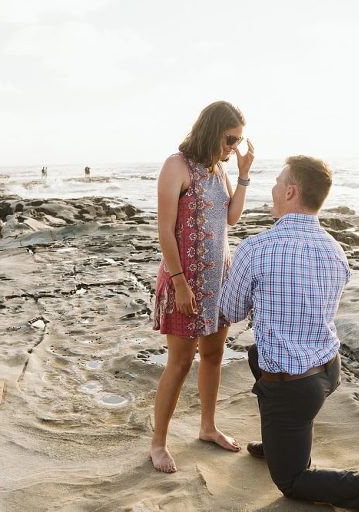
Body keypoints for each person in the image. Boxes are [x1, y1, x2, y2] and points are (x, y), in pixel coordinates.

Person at [219, 156, 359, 512]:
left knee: (291, 482)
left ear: (291, 191)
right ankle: (279, 442)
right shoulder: (335, 250)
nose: (273, 188)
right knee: (257, 354)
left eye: (278, 182)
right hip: (328, 370)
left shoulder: (256, 249)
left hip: (292, 387)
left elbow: (229, 312)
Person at [150, 101, 255, 473]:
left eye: (239, 141)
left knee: (213, 356)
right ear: (212, 130)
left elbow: (232, 218)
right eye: (231, 139)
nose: (234, 147)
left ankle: (207, 427)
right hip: (186, 280)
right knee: (179, 363)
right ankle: (158, 443)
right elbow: (164, 231)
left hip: (219, 280)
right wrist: (179, 283)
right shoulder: (175, 166)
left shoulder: (217, 169)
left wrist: (242, 175)